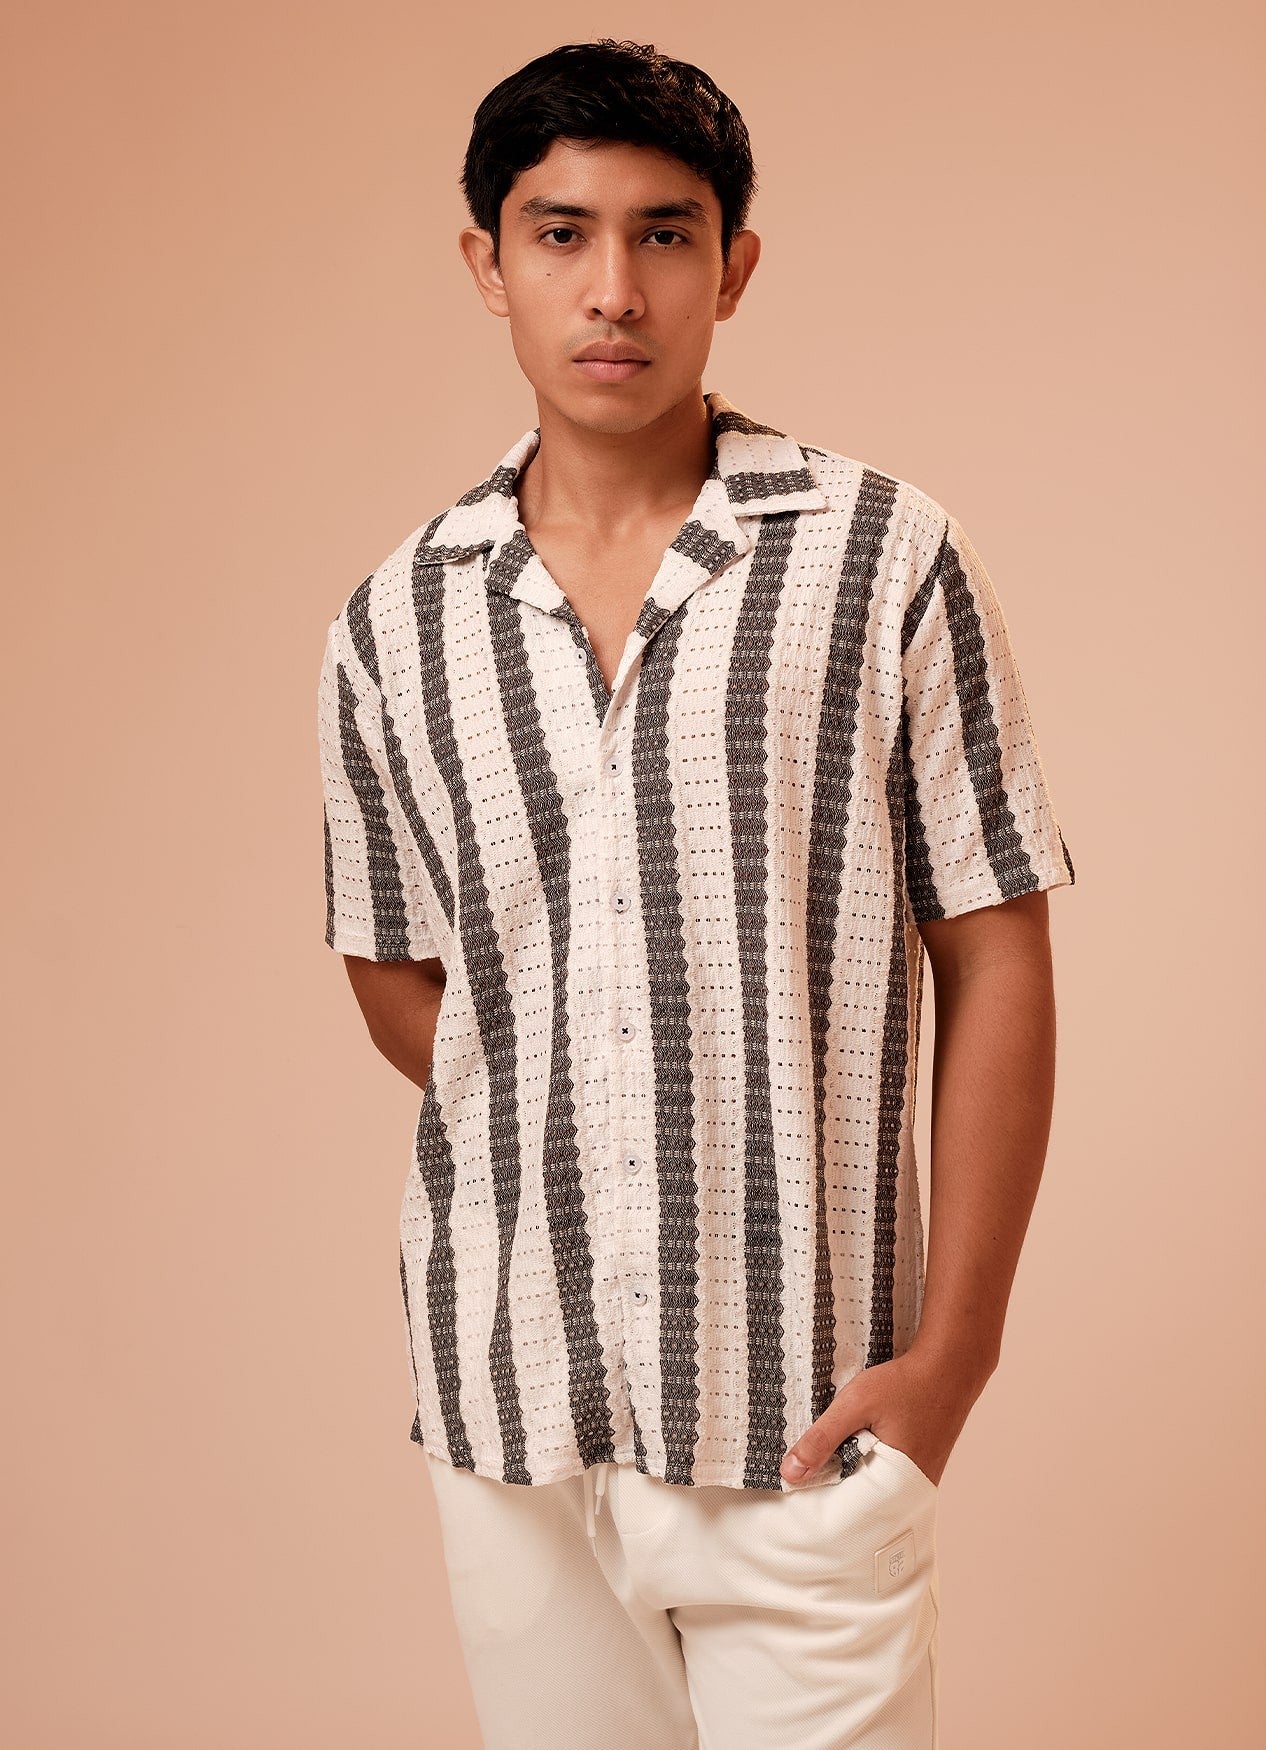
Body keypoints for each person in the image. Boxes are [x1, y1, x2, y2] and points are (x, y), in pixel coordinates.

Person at [316, 37, 1076, 1750]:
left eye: (663, 234)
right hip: (513, 1412)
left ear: (731, 266)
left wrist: (953, 1355)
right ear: (487, 264)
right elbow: (389, 961)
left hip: (807, 1414)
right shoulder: (394, 620)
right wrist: (574, 1085)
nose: (613, 289)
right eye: (560, 233)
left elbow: (996, 948)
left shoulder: (880, 553)